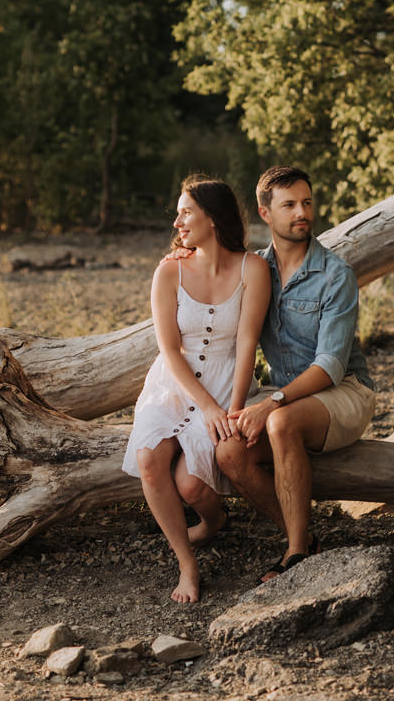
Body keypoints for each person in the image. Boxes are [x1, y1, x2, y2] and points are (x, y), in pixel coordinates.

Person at [218, 166, 376, 582]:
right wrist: (182, 253)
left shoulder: (335, 275)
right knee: (228, 453)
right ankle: (302, 535)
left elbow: (330, 366)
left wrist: (271, 402)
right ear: (265, 212)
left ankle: (296, 554)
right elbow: (209, 274)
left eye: (306, 202)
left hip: (344, 391)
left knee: (281, 421)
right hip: (284, 393)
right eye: (289, 205)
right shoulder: (255, 271)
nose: (302, 212)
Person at [122, 176, 270, 603]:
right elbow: (168, 349)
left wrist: (235, 408)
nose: (177, 221)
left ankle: (214, 520)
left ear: (212, 216)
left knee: (192, 486)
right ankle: (187, 563)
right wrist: (204, 407)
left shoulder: (252, 269)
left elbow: (247, 345)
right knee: (150, 459)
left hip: (228, 384)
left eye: (186, 212)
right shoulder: (168, 271)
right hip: (174, 384)